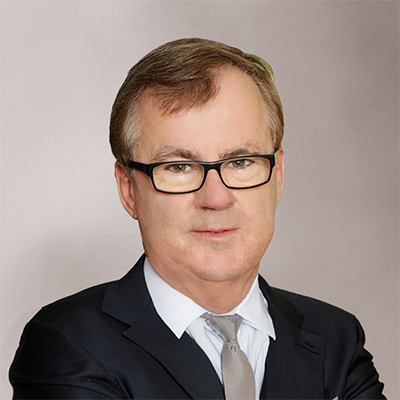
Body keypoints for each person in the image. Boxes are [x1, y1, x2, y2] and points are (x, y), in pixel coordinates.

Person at [9, 38, 385, 400]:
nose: (216, 198)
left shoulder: (337, 339)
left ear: (278, 176)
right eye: (179, 167)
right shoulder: (68, 345)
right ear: (128, 189)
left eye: (241, 162)